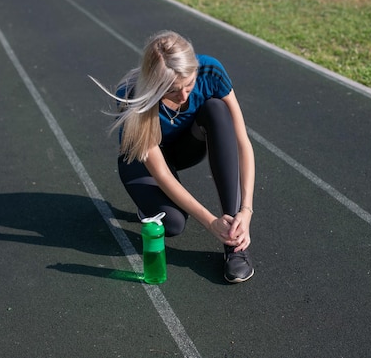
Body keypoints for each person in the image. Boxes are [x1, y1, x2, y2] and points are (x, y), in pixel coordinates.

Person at [91, 30, 255, 283]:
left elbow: (242, 142)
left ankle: (235, 247)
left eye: (189, 84)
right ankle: (147, 203)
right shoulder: (132, 96)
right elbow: (163, 174)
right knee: (174, 224)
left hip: (183, 149)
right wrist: (211, 222)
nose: (184, 96)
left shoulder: (210, 70)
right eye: (172, 91)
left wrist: (246, 211)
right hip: (142, 164)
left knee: (215, 108)